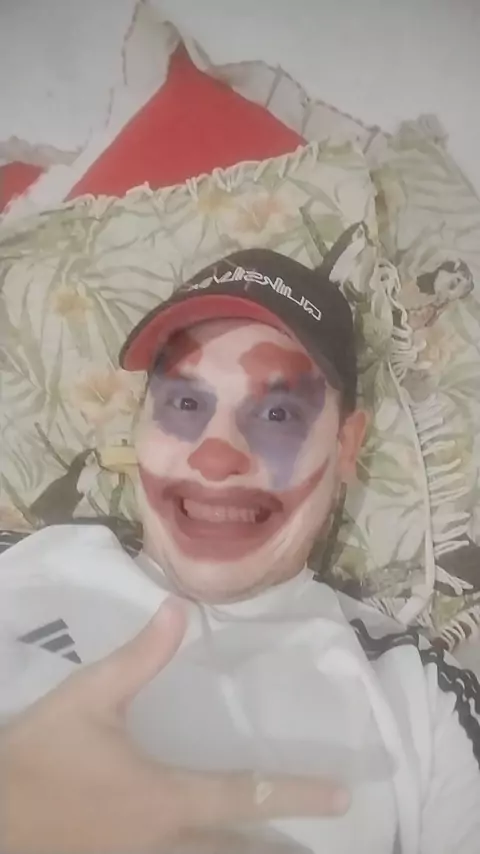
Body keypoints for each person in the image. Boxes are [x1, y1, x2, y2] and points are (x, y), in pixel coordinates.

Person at [1, 248, 479, 854]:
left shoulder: (423, 699)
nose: (215, 457)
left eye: (277, 413)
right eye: (185, 404)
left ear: (346, 448)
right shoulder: (19, 566)